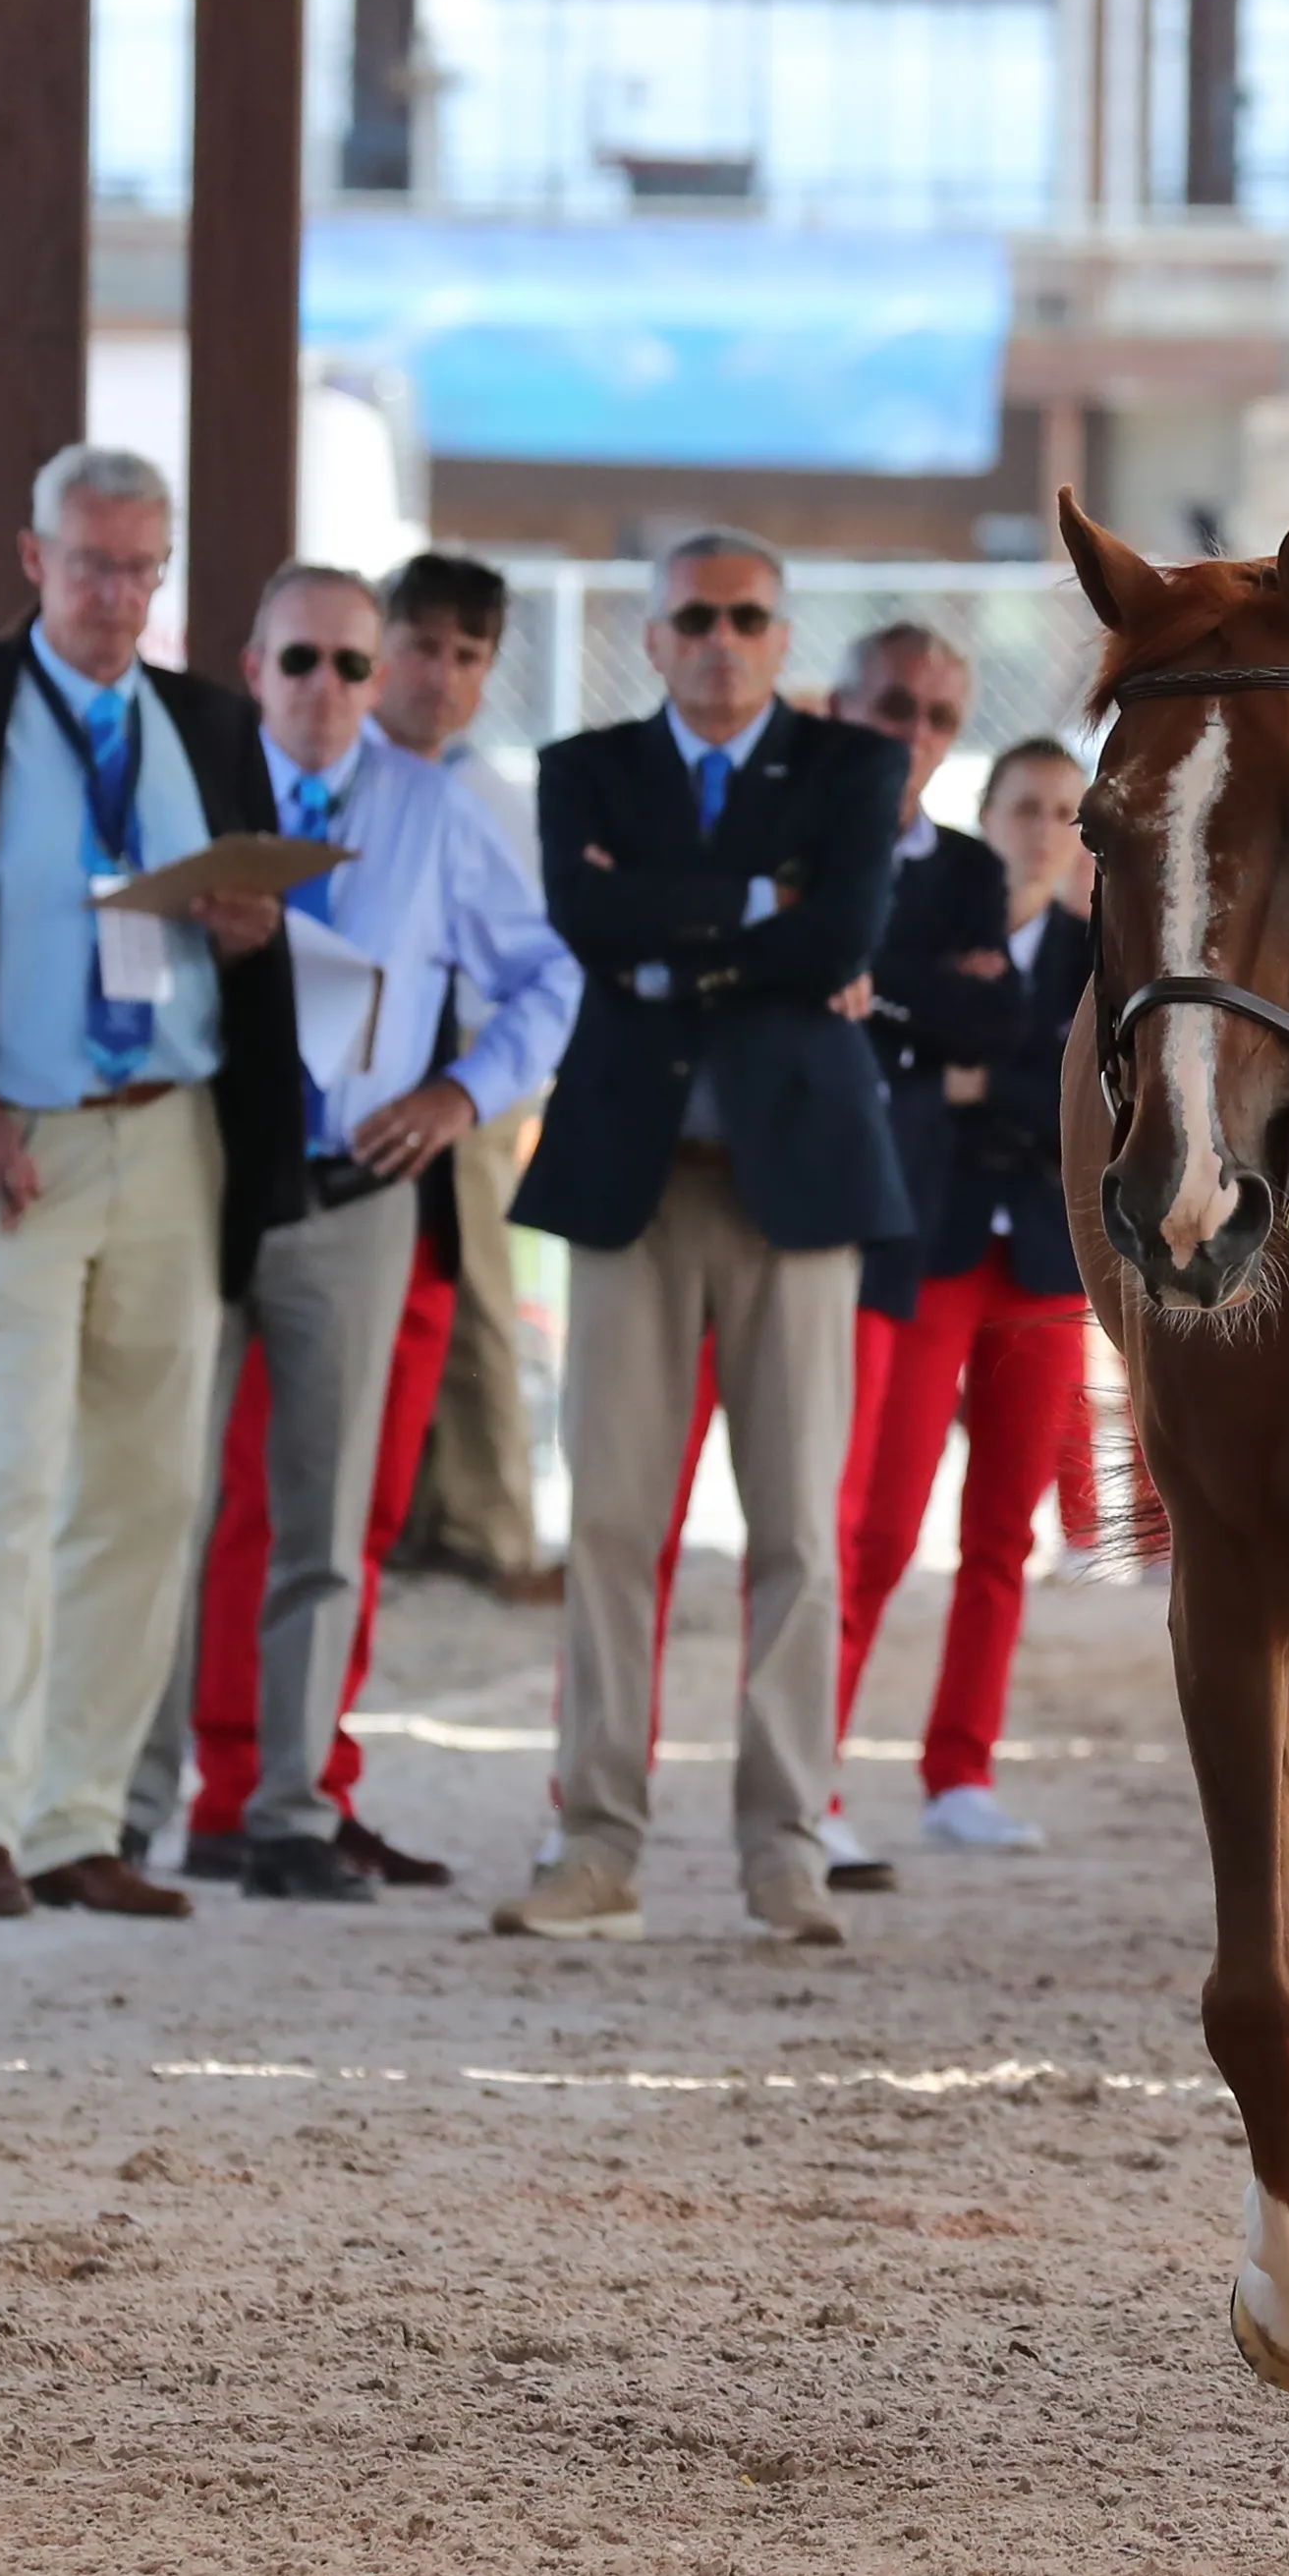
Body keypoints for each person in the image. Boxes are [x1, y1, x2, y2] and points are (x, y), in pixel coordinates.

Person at [0, 443, 302, 1925]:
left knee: (146, 1486)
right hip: (11, 1139)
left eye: (143, 569)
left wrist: (247, 930)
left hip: (170, 1129)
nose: (119, 595)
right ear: (31, 559)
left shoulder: (207, 725)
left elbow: (255, 944)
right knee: (8, 1473)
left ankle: (78, 1818)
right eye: (93, 563)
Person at [128, 562, 577, 1900]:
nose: (327, 687)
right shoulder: (192, 790)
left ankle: (282, 1809)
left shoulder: (432, 811)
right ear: (251, 662)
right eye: (300, 659)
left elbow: (548, 974)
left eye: (352, 663)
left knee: (326, 1516)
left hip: (354, 1195)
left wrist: (461, 1093)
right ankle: (130, 1807)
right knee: (166, 1501)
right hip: (196, 1184)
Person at [500, 527, 908, 1946]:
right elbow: (581, 912)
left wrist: (671, 928)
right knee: (610, 1523)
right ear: (652, 635)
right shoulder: (582, 770)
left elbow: (843, 930)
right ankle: (593, 1838)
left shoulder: (855, 769)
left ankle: (784, 1843)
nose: (720, 639)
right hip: (630, 1178)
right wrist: (758, 908)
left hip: (794, 1188)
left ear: (783, 637)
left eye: (747, 616)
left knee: (797, 1526)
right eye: (693, 617)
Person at [838, 730, 1098, 1854]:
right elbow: (893, 1064)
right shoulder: (929, 923)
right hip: (930, 1249)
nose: (1041, 829)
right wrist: (1008, 1075)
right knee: (880, 1526)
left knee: (1003, 1529)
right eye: (1022, 806)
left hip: (1041, 1266)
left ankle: (960, 1772)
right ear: (983, 818)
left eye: (1062, 811)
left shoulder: (1107, 954)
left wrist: (973, 1074)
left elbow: (1091, 1097)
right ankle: (813, 1771)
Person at [380, 552, 566, 1606]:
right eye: (421, 649)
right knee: (389, 1304)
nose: (441, 677)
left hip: (470, 1080)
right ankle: (410, 1509)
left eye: (467, 656)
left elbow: (531, 960)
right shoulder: (350, 773)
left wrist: (483, 1085)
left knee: (482, 1294)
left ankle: (491, 1523)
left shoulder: (485, 790)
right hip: (366, 1083)